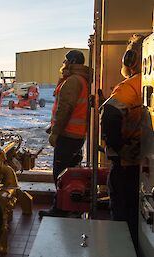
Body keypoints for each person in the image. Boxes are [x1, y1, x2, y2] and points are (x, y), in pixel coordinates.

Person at [100, 34, 145, 251]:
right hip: (145, 169)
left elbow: (109, 114)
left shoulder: (133, 85)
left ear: (131, 59)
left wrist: (119, 147)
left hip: (127, 168)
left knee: (123, 222)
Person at [39, 50, 91, 217]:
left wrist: (55, 133)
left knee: (61, 174)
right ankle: (71, 207)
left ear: (72, 61)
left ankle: (60, 209)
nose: (63, 63)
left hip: (68, 135)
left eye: (65, 60)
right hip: (75, 135)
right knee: (70, 172)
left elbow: (65, 109)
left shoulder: (73, 81)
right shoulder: (80, 80)